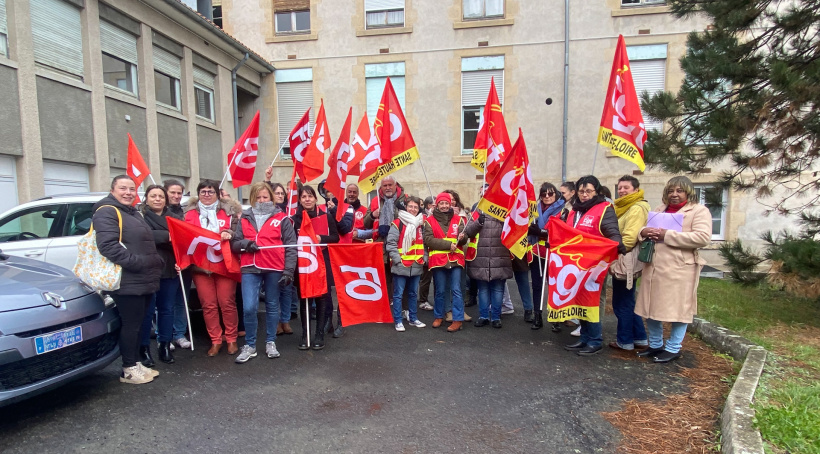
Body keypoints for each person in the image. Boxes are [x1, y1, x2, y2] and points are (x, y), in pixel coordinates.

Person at [93, 175, 163, 384]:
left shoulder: (131, 212)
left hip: (142, 278)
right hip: (127, 280)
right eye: (123, 188)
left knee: (139, 324)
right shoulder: (106, 211)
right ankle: (128, 369)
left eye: (132, 189)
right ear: (112, 190)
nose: (128, 193)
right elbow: (108, 246)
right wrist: (138, 263)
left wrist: (154, 261)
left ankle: (136, 363)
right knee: (131, 325)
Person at [635, 176, 712, 363]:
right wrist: (643, 232)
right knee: (651, 306)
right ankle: (655, 345)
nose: (674, 194)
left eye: (679, 191)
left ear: (688, 192)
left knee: (679, 309)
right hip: (654, 267)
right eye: (670, 191)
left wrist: (667, 235)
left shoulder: (699, 211)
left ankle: (673, 348)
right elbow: (645, 229)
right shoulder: (659, 209)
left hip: (680, 269)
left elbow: (702, 237)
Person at [232, 182, 297, 363]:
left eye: (265, 196)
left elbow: (291, 246)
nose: (261, 200)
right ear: (253, 198)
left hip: (274, 266)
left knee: (272, 305)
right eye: (258, 197)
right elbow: (235, 244)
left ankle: (270, 341)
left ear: (271, 197)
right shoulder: (244, 217)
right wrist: (245, 244)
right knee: (249, 307)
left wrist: (289, 270)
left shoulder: (282, 218)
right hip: (250, 267)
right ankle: (250, 345)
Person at [562, 175, 625, 356]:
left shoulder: (604, 209)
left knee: (593, 302)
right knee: (580, 301)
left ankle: (595, 340)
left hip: (596, 265)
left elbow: (612, 232)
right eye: (581, 191)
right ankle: (584, 337)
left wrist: (617, 245)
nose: (584, 195)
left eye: (588, 191)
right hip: (576, 264)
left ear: (596, 191)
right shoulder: (574, 210)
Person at [184, 179, 242, 357]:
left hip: (224, 265)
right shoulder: (188, 214)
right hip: (200, 266)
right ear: (198, 194)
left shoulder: (230, 212)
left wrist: (229, 233)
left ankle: (231, 338)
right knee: (208, 304)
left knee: (227, 303)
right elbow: (183, 236)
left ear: (217, 194)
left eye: (211, 191)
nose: (207, 195)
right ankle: (215, 339)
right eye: (203, 191)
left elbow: (239, 233)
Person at [138, 185, 182, 366]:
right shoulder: (139, 217)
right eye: (153, 196)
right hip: (147, 270)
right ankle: (144, 349)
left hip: (170, 268)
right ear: (146, 198)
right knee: (147, 312)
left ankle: (164, 345)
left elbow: (181, 239)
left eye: (161, 196)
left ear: (166, 200)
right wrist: (167, 237)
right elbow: (141, 237)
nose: (157, 199)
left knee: (167, 309)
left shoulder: (175, 218)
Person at [292, 185, 340, 350]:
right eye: (304, 197)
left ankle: (319, 334)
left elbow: (335, 237)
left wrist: (322, 238)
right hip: (303, 263)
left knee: (321, 298)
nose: (307, 199)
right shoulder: (294, 219)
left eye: (310, 196)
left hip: (321, 262)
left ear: (315, 199)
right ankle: (305, 334)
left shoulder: (326, 216)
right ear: (300, 200)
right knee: (305, 299)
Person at [609, 176, 651, 351]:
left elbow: (629, 237)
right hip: (625, 257)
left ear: (636, 189)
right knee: (628, 300)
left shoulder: (636, 208)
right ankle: (639, 337)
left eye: (626, 187)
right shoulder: (625, 207)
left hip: (625, 259)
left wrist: (616, 253)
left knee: (622, 302)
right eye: (619, 188)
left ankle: (625, 340)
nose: (622, 191)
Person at [423, 192, 467, 332]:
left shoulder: (459, 220)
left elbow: (464, 239)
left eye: (446, 203)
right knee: (440, 290)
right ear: (437, 205)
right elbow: (428, 240)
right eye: (441, 203)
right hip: (438, 260)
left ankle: (458, 319)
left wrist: (463, 237)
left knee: (456, 289)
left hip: (455, 259)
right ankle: (438, 316)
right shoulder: (429, 221)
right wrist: (448, 245)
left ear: (450, 204)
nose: (444, 206)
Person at [463, 208, 513, 328]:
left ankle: (496, 317)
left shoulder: (506, 212)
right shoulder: (476, 213)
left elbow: (513, 231)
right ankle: (483, 316)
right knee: (483, 289)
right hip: (481, 257)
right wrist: (478, 222)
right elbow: (468, 232)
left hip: (500, 256)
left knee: (498, 289)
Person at [386, 196, 427, 331]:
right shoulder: (397, 223)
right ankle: (398, 321)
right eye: (410, 206)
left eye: (416, 207)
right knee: (398, 295)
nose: (413, 209)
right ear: (405, 207)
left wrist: (424, 258)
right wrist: (397, 260)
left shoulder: (421, 224)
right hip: (401, 265)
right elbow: (391, 244)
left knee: (413, 294)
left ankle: (413, 318)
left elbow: (425, 243)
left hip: (416, 264)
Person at [528, 182, 564, 330]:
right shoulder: (534, 209)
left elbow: (562, 231)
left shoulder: (563, 210)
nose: (547, 196)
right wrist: (529, 229)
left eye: (550, 193)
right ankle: (537, 316)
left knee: (555, 286)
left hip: (555, 253)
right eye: (543, 194)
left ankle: (556, 318)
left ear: (556, 194)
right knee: (537, 285)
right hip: (537, 251)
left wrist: (541, 232)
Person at [163, 179, 192, 350]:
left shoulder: (186, 213)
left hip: (184, 262)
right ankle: (165, 335)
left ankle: (179, 334)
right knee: (165, 302)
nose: (176, 196)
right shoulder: (158, 212)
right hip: (166, 263)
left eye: (179, 193)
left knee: (182, 300)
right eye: (172, 192)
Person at [268, 181, 297, 334]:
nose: (280, 196)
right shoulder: (267, 211)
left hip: (287, 255)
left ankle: (285, 320)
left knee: (287, 290)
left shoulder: (289, 209)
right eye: (277, 193)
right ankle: (276, 321)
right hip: (272, 257)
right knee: (274, 292)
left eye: (281, 193)